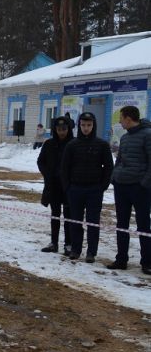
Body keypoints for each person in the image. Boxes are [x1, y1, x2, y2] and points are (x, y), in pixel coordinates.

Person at [60, 111, 113, 263]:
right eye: (83, 125)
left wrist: (102, 186)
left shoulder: (102, 145)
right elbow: (64, 168)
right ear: (79, 126)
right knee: (75, 221)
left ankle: (91, 252)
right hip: (75, 189)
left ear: (93, 126)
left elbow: (109, 167)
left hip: (94, 190)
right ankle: (75, 250)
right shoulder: (72, 145)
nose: (86, 128)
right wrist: (68, 187)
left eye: (89, 125)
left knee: (92, 222)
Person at [107, 105, 151, 273]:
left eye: (121, 118)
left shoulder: (147, 135)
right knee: (122, 224)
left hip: (140, 188)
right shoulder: (124, 138)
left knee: (143, 225)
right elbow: (119, 160)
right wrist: (114, 177)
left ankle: (147, 262)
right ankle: (121, 259)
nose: (119, 121)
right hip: (121, 186)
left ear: (128, 118)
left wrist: (144, 184)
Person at [37, 117, 74, 254]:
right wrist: (48, 174)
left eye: (64, 129)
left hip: (68, 186)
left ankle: (69, 244)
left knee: (69, 215)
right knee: (55, 214)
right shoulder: (49, 144)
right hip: (53, 185)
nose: (61, 132)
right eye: (59, 129)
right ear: (55, 130)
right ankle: (54, 242)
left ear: (68, 129)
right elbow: (41, 161)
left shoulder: (73, 144)